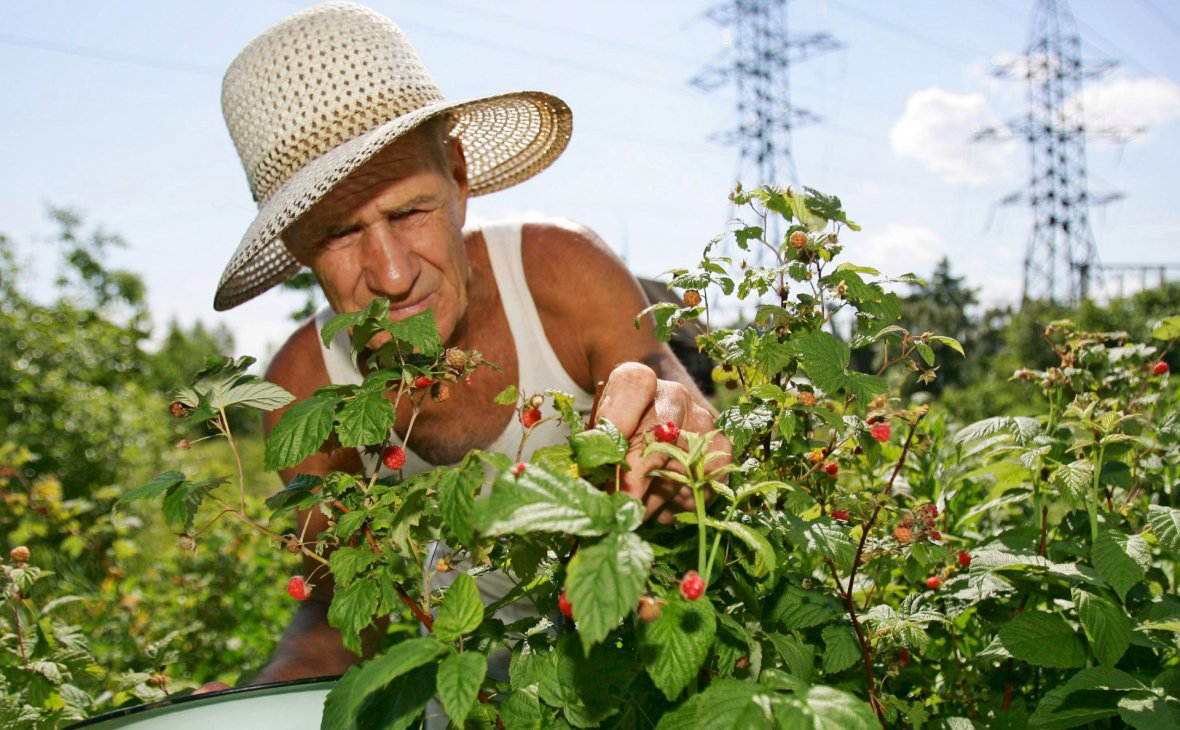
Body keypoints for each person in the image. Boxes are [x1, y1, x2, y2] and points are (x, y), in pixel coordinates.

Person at [205, 1, 727, 688]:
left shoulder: (561, 274)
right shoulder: (305, 393)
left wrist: (672, 417)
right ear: (299, 246)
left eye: (409, 211)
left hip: (632, 678)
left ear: (457, 178)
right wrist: (265, 696)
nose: (392, 275)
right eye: (339, 233)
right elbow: (342, 603)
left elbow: (662, 378)